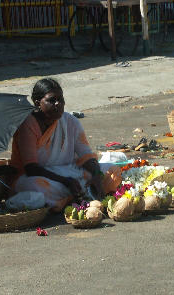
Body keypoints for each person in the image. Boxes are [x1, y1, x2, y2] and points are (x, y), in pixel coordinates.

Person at [10, 78, 122, 211]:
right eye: (52, 100)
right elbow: (32, 169)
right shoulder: (28, 125)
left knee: (111, 170)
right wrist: (65, 181)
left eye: (61, 99)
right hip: (37, 178)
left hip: (69, 171)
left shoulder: (70, 121)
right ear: (37, 103)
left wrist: (97, 175)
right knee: (36, 187)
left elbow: (87, 156)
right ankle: (76, 196)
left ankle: (76, 195)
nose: (58, 104)